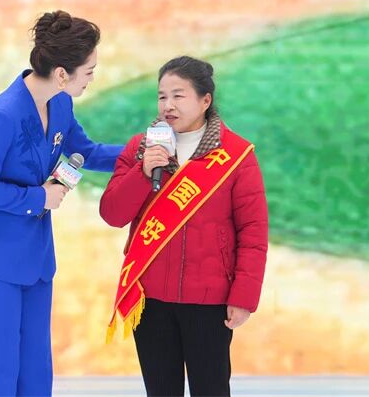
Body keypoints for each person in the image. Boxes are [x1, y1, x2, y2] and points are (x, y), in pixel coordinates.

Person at [0, 10, 123, 397]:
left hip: (35, 259)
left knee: (35, 373)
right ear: (62, 73)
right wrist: (39, 197)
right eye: (89, 71)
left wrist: (141, 153)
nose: (91, 79)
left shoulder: (60, 104)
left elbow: (86, 151)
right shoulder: (3, 116)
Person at [100, 56, 268, 397]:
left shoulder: (236, 155)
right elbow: (113, 214)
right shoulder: (141, 148)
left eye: (179, 96)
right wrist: (142, 173)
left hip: (209, 301)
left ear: (205, 101)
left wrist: (244, 297)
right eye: (162, 96)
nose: (168, 105)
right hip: (150, 300)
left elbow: (253, 232)